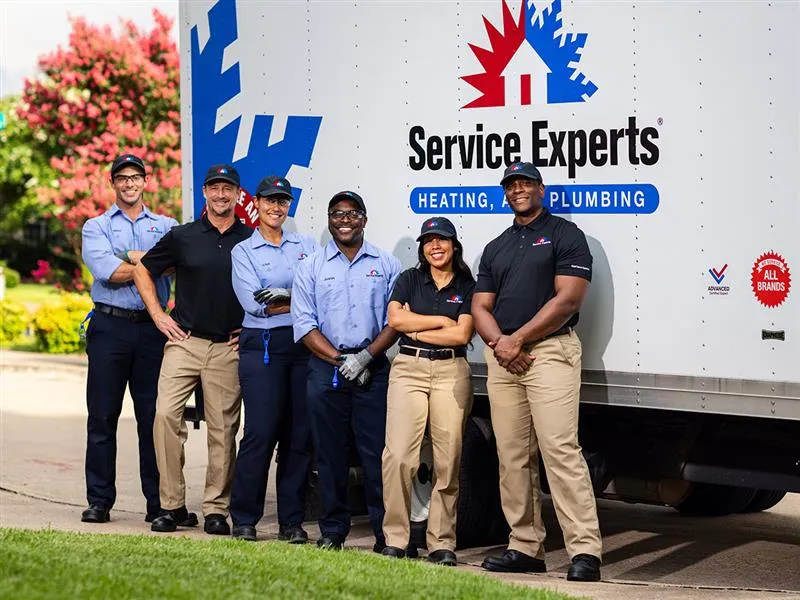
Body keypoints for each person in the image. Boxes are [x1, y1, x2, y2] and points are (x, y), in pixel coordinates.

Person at [471, 161, 602, 581]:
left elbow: (569, 300)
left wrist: (519, 339)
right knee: (512, 456)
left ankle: (585, 551)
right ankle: (525, 546)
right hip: (504, 358)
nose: (518, 190)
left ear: (540, 189)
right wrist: (500, 344)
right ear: (505, 194)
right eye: (511, 185)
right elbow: (479, 306)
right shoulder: (496, 246)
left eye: (525, 183)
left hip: (549, 352)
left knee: (559, 450)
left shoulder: (566, 234)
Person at [133, 164, 251, 535]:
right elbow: (142, 269)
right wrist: (158, 315)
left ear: (238, 194)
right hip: (183, 341)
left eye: (227, 188)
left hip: (227, 347)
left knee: (223, 430)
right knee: (165, 416)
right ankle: (171, 506)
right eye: (214, 188)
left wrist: (250, 327)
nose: (221, 194)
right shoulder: (182, 236)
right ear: (204, 192)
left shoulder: (250, 239)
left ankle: (216, 509)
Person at [291, 190, 401, 551]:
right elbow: (304, 324)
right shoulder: (311, 266)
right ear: (329, 220)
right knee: (330, 453)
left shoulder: (386, 264)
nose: (345, 220)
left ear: (364, 220)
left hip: (374, 367)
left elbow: (395, 321)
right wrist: (341, 361)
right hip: (327, 369)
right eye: (338, 214)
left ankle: (386, 534)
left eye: (353, 214)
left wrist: (366, 357)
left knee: (377, 454)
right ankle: (333, 530)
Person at [80, 153, 178, 524]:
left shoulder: (166, 225)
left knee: (152, 418)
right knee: (102, 416)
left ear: (145, 181)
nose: (129, 183)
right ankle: (99, 500)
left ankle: (158, 503)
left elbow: (175, 264)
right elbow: (106, 270)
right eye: (122, 177)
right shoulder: (96, 226)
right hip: (110, 328)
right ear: (113, 183)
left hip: (153, 330)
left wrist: (130, 257)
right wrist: (150, 262)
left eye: (135, 177)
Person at [227, 176, 319, 542]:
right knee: (261, 433)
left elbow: (321, 292)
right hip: (263, 346)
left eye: (282, 201)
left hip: (303, 344)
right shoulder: (243, 251)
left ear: (288, 206)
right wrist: (300, 298)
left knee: (298, 437)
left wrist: (285, 295)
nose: (276, 207)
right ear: (257, 204)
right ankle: (244, 518)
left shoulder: (306, 245)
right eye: (269, 200)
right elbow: (255, 304)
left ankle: (291, 523)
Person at [380, 217, 475, 565]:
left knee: (447, 460)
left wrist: (416, 328)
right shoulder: (409, 279)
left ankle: (441, 542)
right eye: (428, 241)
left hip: (452, 370)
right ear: (422, 248)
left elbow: (461, 335)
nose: (435, 246)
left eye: (442, 240)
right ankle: (396, 538)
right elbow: (395, 320)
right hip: (409, 368)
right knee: (398, 456)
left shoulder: (468, 285)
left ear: (454, 245)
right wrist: (441, 322)